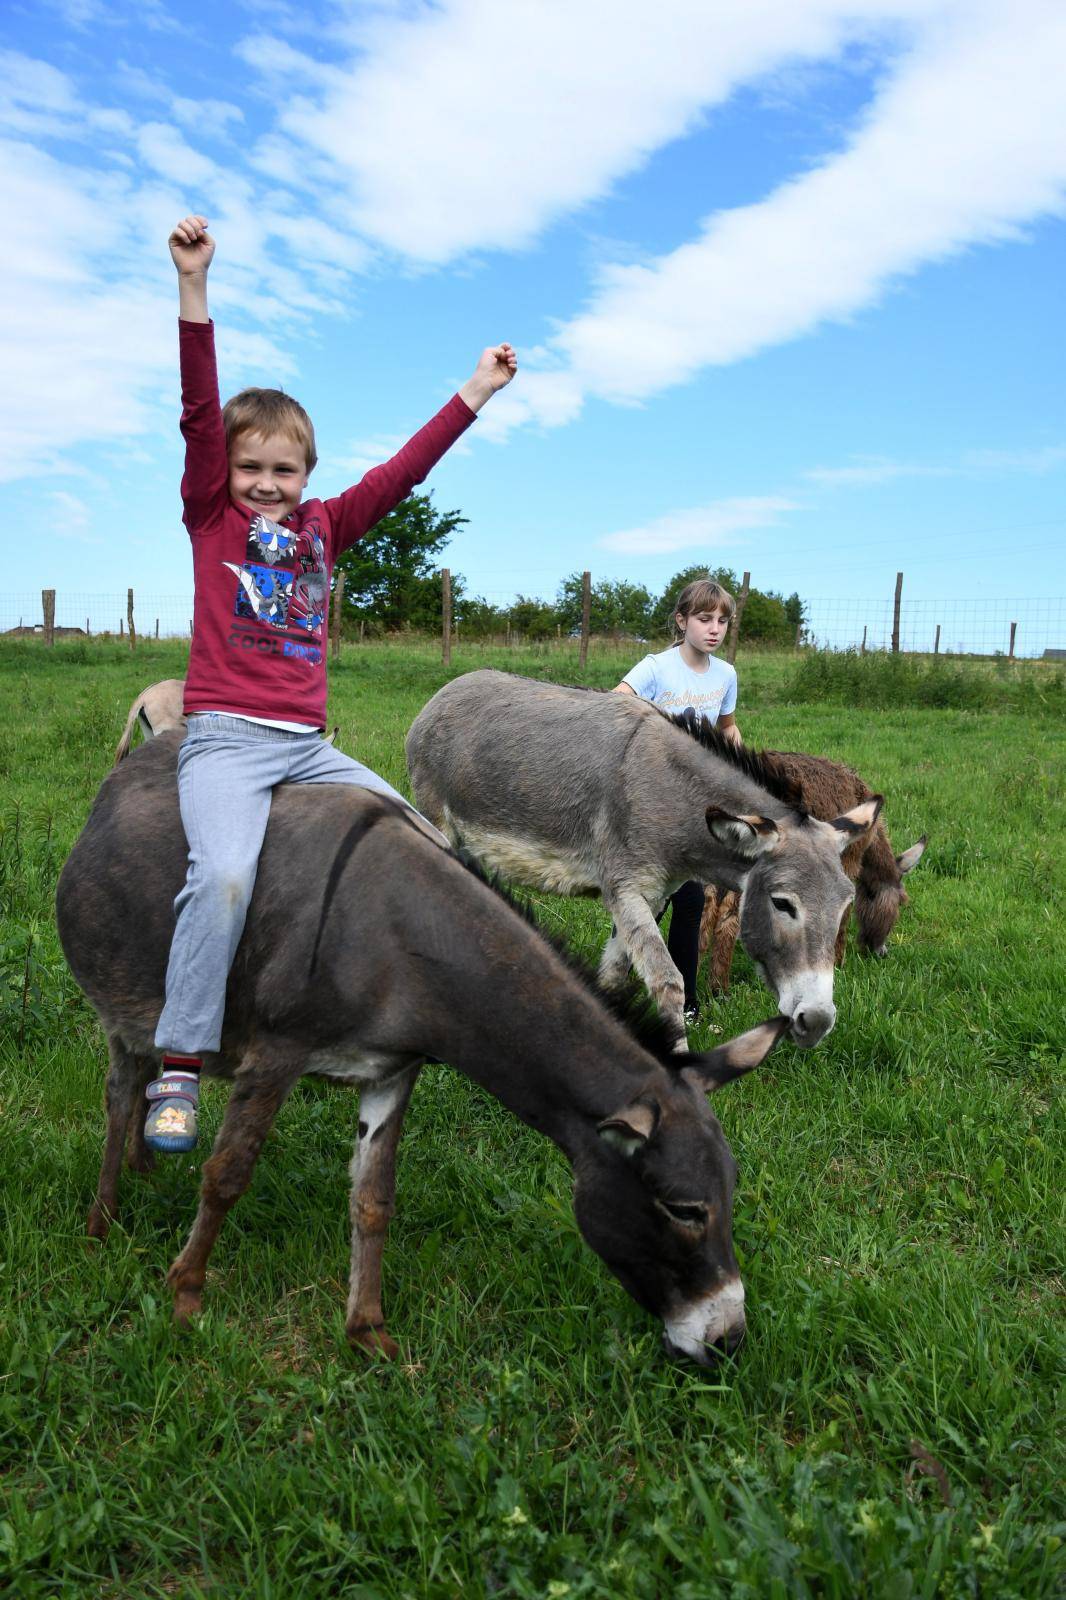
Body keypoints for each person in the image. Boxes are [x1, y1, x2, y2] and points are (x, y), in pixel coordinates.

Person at [145, 214, 517, 1154]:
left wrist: (475, 391)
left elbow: (405, 472)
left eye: (284, 470)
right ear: (223, 474)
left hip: (307, 749)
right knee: (224, 877)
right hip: (225, 739)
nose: (266, 484)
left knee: (426, 843)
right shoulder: (208, 518)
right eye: (250, 468)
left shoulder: (326, 528)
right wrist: (194, 288)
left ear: (308, 474)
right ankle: (180, 1063)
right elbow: (198, 407)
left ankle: (384, 1005)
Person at [613, 578, 742, 1024]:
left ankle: (685, 1004)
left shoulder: (726, 675)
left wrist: (734, 755)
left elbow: (726, 726)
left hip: (697, 807)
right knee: (644, 899)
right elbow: (613, 711)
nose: (714, 629)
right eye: (705, 619)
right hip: (650, 803)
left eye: (723, 621)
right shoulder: (655, 669)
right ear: (682, 620)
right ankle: (620, 992)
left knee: (690, 902)